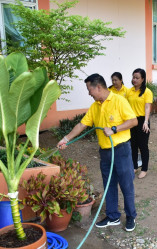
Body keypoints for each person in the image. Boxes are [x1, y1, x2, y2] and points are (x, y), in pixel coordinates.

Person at [57, 74, 138, 232]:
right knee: (109, 185)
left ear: (98, 87)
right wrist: (65, 139)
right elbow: (82, 125)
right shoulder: (95, 107)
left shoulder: (119, 101)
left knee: (126, 184)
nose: (89, 93)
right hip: (105, 152)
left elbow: (133, 121)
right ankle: (113, 216)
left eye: (90, 89)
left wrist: (115, 129)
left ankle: (130, 217)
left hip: (121, 151)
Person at [126, 68, 153, 179]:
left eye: (137, 78)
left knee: (143, 146)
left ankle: (144, 169)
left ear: (143, 79)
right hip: (132, 121)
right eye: (133, 77)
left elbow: (147, 107)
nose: (135, 80)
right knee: (133, 145)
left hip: (142, 121)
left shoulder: (147, 92)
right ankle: (134, 166)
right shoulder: (129, 91)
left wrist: (146, 122)